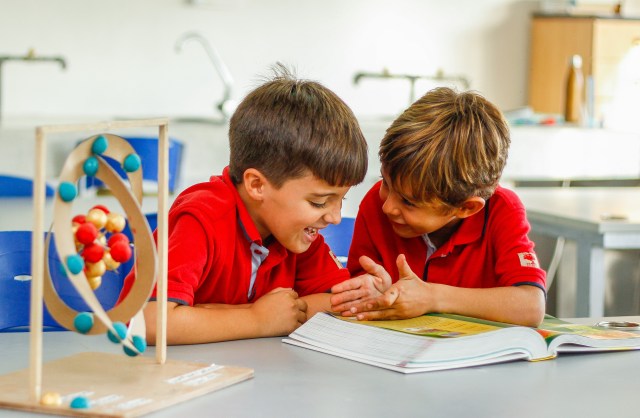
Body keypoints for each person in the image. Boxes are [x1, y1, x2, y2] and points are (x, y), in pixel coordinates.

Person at [119, 65, 368, 344]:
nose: (334, 217)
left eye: (341, 200)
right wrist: (256, 319)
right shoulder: (200, 219)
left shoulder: (295, 233)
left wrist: (366, 294)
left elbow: (340, 301)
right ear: (257, 185)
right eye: (319, 202)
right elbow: (148, 322)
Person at [330, 87, 546, 327]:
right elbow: (358, 290)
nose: (388, 206)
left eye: (409, 202)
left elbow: (531, 307)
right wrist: (373, 292)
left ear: (465, 208)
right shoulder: (376, 202)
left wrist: (431, 297)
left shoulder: (501, 211)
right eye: (386, 183)